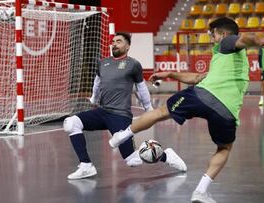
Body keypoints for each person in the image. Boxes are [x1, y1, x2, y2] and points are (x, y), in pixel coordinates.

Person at [109, 17, 264, 203]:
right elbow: (198, 77)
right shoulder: (228, 60)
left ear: (222, 34)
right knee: (224, 148)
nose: (211, 38)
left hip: (201, 96)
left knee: (161, 112)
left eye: (212, 34)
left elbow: (243, 39)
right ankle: (200, 191)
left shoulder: (228, 41)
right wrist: (171, 74)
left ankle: (122, 136)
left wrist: (257, 41)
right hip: (225, 110)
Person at [64, 32, 187, 180]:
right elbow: (97, 83)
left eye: (119, 41)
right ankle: (86, 166)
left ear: (128, 46)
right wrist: (93, 99)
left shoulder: (133, 64)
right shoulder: (103, 63)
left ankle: (167, 156)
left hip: (120, 116)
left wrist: (149, 110)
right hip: (102, 112)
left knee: (132, 160)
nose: (114, 44)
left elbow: (141, 88)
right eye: (113, 41)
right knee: (71, 123)